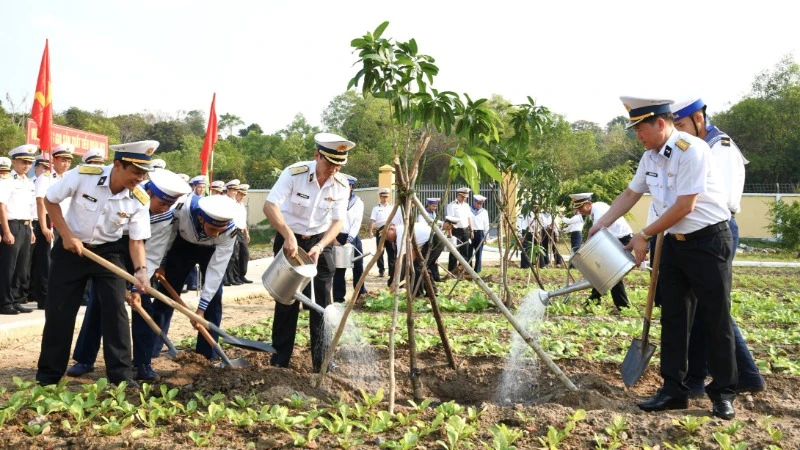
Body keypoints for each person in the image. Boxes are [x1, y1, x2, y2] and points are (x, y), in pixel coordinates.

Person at [588, 96, 737, 420]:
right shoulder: (650, 157)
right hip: (673, 244)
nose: (637, 136)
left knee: (715, 318)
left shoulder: (692, 150)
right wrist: (601, 223)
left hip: (709, 241)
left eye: (640, 129)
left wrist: (644, 234)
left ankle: (723, 393)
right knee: (673, 316)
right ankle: (674, 390)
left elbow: (685, 206)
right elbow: (630, 194)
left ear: (659, 123)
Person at [36, 140, 155, 389]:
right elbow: (50, 200)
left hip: (109, 253)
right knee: (59, 313)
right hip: (70, 249)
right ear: (118, 164)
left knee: (116, 313)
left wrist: (141, 272)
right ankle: (48, 376)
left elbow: (136, 241)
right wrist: (66, 235)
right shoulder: (83, 175)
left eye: (144, 173)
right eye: (136, 172)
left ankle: (121, 376)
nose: (140, 178)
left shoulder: (139, 198)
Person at [670, 98, 764, 395]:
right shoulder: (693, 147)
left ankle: (746, 375)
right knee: (699, 308)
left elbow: (710, 201)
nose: (679, 133)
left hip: (714, 231)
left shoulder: (718, 146)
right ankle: (696, 378)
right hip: (692, 231)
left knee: (713, 307)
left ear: (699, 118)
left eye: (682, 125)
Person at [67, 169, 191, 381]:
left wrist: (137, 286)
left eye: (170, 205)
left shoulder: (164, 217)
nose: (166, 208)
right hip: (111, 251)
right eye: (163, 203)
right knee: (100, 304)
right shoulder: (125, 197)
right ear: (149, 194)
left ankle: (143, 363)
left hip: (140, 258)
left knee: (144, 305)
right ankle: (85, 359)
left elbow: (152, 253)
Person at [263, 132, 352, 372]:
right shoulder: (295, 173)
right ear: (317, 155)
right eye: (330, 162)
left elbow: (337, 222)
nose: (334, 168)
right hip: (289, 239)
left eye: (339, 164)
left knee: (322, 302)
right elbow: (270, 206)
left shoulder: (342, 185)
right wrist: (288, 235)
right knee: (286, 300)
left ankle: (322, 361)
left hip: (320, 242)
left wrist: (321, 245)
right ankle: (280, 359)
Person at [151, 194, 238, 359]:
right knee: (166, 296)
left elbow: (217, 270)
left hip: (211, 252)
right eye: (212, 229)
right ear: (200, 218)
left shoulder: (230, 231)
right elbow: (166, 235)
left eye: (220, 230)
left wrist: (200, 310)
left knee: (214, 298)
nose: (216, 233)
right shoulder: (182, 209)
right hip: (183, 246)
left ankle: (207, 353)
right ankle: (151, 348)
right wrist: (161, 263)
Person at [31, 143, 75, 310]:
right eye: (63, 160)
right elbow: (40, 202)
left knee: (61, 261)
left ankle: (57, 294)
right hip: (49, 221)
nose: (66, 164)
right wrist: (43, 227)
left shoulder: (69, 178)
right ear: (54, 160)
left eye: (68, 161)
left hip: (64, 222)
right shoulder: (46, 178)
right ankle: (43, 298)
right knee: (46, 261)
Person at [573, 192, 633, 310]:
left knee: (612, 274)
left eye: (580, 207)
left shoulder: (599, 209)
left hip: (622, 239)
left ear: (589, 204)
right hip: (614, 240)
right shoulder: (595, 210)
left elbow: (597, 232)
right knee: (603, 272)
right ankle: (595, 300)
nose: (579, 211)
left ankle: (622, 305)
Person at [0, 144, 37, 315]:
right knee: (8, 266)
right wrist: (6, 231)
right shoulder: (8, 181)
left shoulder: (28, 182)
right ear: (14, 162)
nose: (26, 166)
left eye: (29, 163)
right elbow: (2, 206)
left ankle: (15, 299)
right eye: (23, 162)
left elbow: (29, 207)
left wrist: (31, 229)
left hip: (25, 225)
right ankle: (4, 302)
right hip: (12, 224)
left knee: (21, 267)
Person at [333, 175, 368, 303]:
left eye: (345, 186)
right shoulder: (334, 200)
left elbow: (356, 223)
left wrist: (349, 240)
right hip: (336, 237)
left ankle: (359, 294)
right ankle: (338, 298)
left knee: (358, 267)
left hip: (353, 237)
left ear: (351, 187)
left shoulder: (358, 202)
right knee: (339, 270)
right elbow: (329, 220)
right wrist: (334, 240)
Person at [446, 187, 473, 273]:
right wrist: (449, 233)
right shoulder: (452, 205)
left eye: (465, 197)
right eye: (462, 197)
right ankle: (452, 271)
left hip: (465, 230)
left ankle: (462, 271)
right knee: (454, 251)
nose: (464, 198)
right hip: (456, 231)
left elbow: (469, 218)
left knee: (465, 251)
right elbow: (450, 220)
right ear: (458, 195)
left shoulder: (466, 205)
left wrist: (471, 230)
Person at [223, 179, 243, 286]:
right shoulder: (224, 201)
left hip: (235, 230)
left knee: (233, 256)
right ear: (228, 190)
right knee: (226, 255)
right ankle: (225, 278)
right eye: (233, 191)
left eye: (236, 191)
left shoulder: (234, 202)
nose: (235, 193)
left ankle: (230, 277)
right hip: (226, 231)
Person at [368, 188, 393, 277]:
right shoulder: (376, 208)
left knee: (391, 251)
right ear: (380, 197)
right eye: (383, 197)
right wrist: (370, 231)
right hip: (380, 231)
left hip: (391, 231)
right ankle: (381, 271)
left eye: (386, 197)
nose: (385, 199)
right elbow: (372, 220)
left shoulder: (392, 207)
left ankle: (392, 271)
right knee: (380, 251)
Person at [234, 183, 252, 284]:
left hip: (242, 231)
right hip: (235, 231)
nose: (242, 197)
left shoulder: (241, 206)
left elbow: (243, 220)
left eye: (244, 195)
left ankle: (242, 275)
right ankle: (236, 276)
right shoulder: (233, 204)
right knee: (236, 255)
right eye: (241, 194)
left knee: (245, 254)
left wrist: (246, 232)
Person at [470, 195, 490, 273]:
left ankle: (477, 270)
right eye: (478, 203)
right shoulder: (468, 210)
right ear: (474, 202)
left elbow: (486, 225)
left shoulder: (484, 212)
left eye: (481, 204)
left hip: (480, 233)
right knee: (469, 252)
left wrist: (486, 237)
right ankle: (469, 269)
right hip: (471, 232)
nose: (479, 205)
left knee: (479, 253)